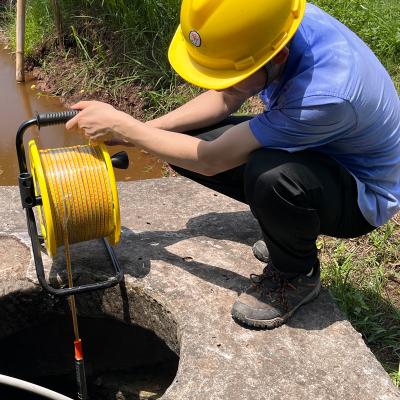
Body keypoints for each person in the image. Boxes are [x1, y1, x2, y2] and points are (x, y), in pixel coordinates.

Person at [65, 0, 400, 329]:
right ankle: (288, 230)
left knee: (271, 177)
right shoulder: (271, 22)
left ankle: (297, 274)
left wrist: (127, 127)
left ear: (278, 57)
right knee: (183, 141)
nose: (220, 84)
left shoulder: (325, 96)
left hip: (360, 195)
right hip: (322, 149)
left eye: (231, 75)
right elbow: (224, 99)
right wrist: (141, 132)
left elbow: (212, 161)